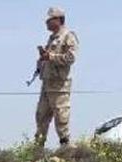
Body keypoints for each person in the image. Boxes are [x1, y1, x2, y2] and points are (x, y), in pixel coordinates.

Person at [34, 7, 78, 147]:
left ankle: (65, 147)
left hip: (59, 84)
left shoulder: (68, 36)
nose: (46, 23)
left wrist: (51, 57)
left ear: (58, 20)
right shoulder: (52, 38)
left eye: (49, 20)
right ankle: (38, 147)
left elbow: (71, 58)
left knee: (61, 116)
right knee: (41, 115)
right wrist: (42, 60)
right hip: (47, 82)